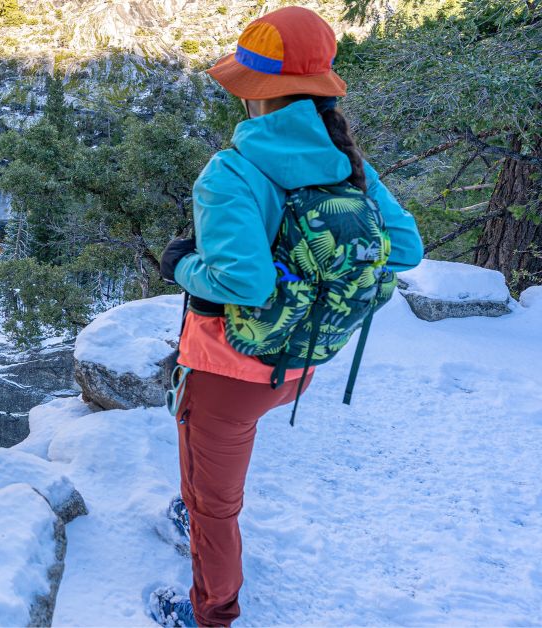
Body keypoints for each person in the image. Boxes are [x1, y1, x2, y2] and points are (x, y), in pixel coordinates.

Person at [150, 6, 424, 627]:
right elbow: (404, 248)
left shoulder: (233, 171)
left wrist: (181, 265)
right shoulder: (349, 164)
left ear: (258, 94)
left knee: (216, 504)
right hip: (301, 364)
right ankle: (196, 517)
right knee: (214, 490)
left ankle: (211, 612)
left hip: (227, 374)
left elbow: (239, 281)